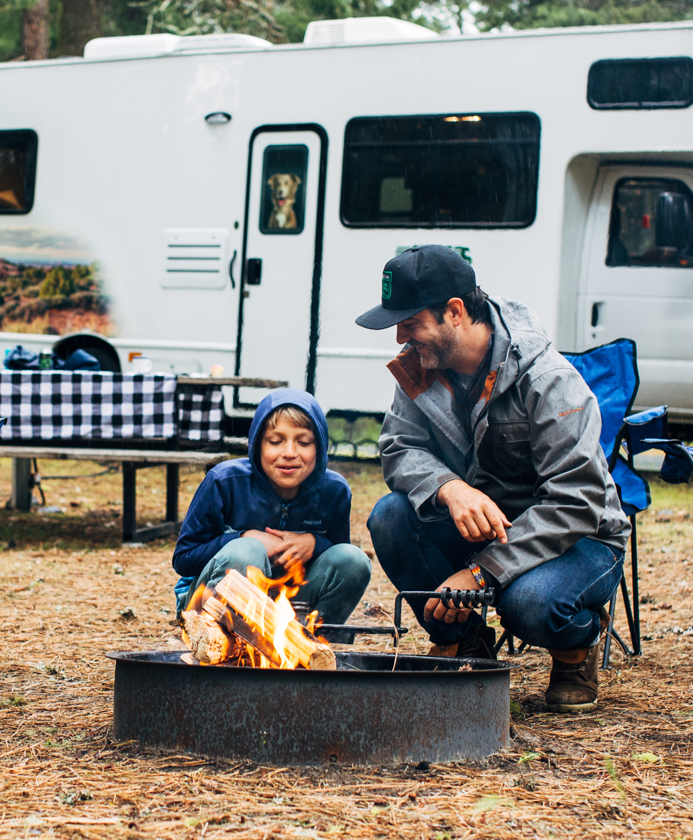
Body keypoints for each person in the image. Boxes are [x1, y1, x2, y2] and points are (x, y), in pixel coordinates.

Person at [360, 246, 629, 712]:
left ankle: (575, 649)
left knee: (528, 603)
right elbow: (397, 447)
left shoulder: (549, 380)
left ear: (456, 313)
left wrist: (481, 570)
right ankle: (466, 643)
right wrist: (451, 488)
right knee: (389, 518)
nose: (400, 337)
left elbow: (577, 501)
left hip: (577, 540)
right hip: (480, 527)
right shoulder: (420, 367)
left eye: (410, 322)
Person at [172, 389, 370, 639]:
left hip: (290, 605)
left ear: (319, 447)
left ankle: (307, 648)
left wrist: (314, 543)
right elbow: (184, 558)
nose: (289, 452)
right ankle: (219, 642)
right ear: (257, 445)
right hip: (209, 603)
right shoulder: (225, 482)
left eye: (304, 442)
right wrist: (243, 538)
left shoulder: (334, 491)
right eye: (275, 441)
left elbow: (338, 561)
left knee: (354, 560)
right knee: (247, 551)